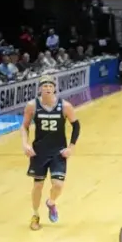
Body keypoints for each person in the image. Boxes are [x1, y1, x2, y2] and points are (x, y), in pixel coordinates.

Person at [20, 75, 81, 231]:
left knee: (58, 185)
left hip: (58, 152)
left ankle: (51, 202)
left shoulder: (65, 106)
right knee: (38, 185)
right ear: (39, 88)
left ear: (55, 88)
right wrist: (25, 144)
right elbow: (25, 126)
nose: (47, 88)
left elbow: (76, 126)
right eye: (44, 85)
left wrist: (71, 147)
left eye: (50, 85)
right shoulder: (32, 105)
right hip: (39, 152)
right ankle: (35, 215)